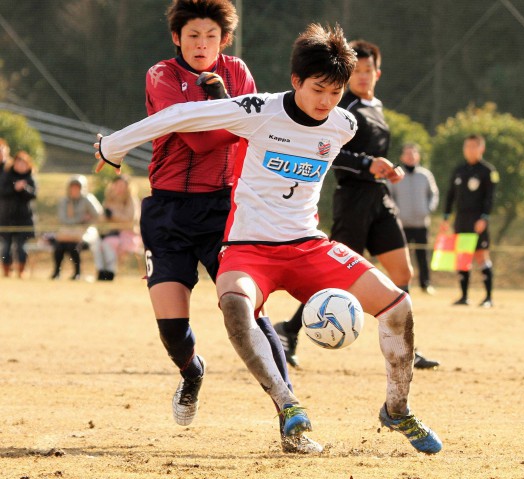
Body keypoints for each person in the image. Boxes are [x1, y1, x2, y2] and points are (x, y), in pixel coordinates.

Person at [94, 23, 443, 455]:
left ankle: (397, 409)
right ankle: (288, 407)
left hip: (308, 245)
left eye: (335, 93)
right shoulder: (258, 109)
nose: (325, 102)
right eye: (317, 90)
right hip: (248, 249)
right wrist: (114, 144)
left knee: (398, 305)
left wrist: (375, 164)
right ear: (295, 81)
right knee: (236, 307)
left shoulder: (344, 123)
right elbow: (181, 116)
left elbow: (340, 152)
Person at [98, 0, 308, 453]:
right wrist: (226, 107)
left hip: (225, 211)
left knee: (248, 312)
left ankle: (289, 412)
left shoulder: (238, 71)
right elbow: (197, 135)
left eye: (210, 36)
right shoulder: (162, 76)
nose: (201, 44)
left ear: (224, 40)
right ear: (177, 37)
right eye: (192, 35)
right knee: (172, 328)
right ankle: (192, 372)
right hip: (169, 211)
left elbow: (256, 130)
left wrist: (228, 106)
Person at [274, 39, 439, 371]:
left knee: (403, 272)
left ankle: (405, 346)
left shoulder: (375, 107)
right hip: (353, 200)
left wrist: (384, 168)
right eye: (357, 71)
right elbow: (328, 151)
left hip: (379, 198)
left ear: (378, 72)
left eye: (368, 70)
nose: (363, 77)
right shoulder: (341, 109)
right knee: (332, 279)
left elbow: (371, 155)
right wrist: (367, 164)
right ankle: (288, 331)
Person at [441, 134, 498, 308]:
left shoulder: (488, 171)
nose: (469, 150)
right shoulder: (459, 170)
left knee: (481, 256)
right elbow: (450, 195)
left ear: (482, 148)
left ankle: (488, 297)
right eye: (467, 146)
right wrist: (446, 217)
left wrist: (484, 217)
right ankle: (464, 296)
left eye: (474, 146)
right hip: (461, 219)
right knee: (463, 257)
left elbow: (490, 197)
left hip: (477, 220)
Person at [388, 143, 439, 295]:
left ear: (418, 156)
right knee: (403, 258)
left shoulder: (425, 175)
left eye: (413, 153)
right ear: (402, 156)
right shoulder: (395, 175)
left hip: (421, 224)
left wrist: (428, 209)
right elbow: (389, 196)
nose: (410, 157)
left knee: (423, 256)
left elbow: (434, 194)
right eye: (407, 154)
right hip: (401, 224)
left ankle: (426, 284)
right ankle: (402, 286)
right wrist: (395, 212)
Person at [51, 175, 103, 280]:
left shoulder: (88, 199)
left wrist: (85, 221)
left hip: (85, 232)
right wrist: (80, 219)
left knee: (73, 246)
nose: (74, 190)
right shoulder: (64, 201)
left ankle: (77, 273)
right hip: (68, 232)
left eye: (77, 187)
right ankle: (57, 271)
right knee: (59, 246)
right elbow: (63, 219)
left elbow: (98, 214)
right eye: (72, 187)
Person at [95, 176, 142, 281]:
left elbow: (130, 219)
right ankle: (101, 271)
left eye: (122, 185)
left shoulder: (131, 200)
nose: (119, 188)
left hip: (128, 235)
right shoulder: (109, 199)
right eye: (117, 185)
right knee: (98, 245)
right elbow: (102, 219)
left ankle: (110, 272)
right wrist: (105, 216)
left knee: (108, 244)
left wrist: (113, 215)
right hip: (112, 234)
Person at [0, 151, 37, 278]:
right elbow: (2, 192)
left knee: (21, 247)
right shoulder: (6, 175)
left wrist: (24, 188)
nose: (21, 166)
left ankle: (21, 271)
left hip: (24, 218)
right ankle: (6, 271)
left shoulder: (30, 178)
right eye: (19, 163)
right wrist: (14, 188)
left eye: (23, 163)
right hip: (7, 217)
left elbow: (33, 195)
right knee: (6, 247)